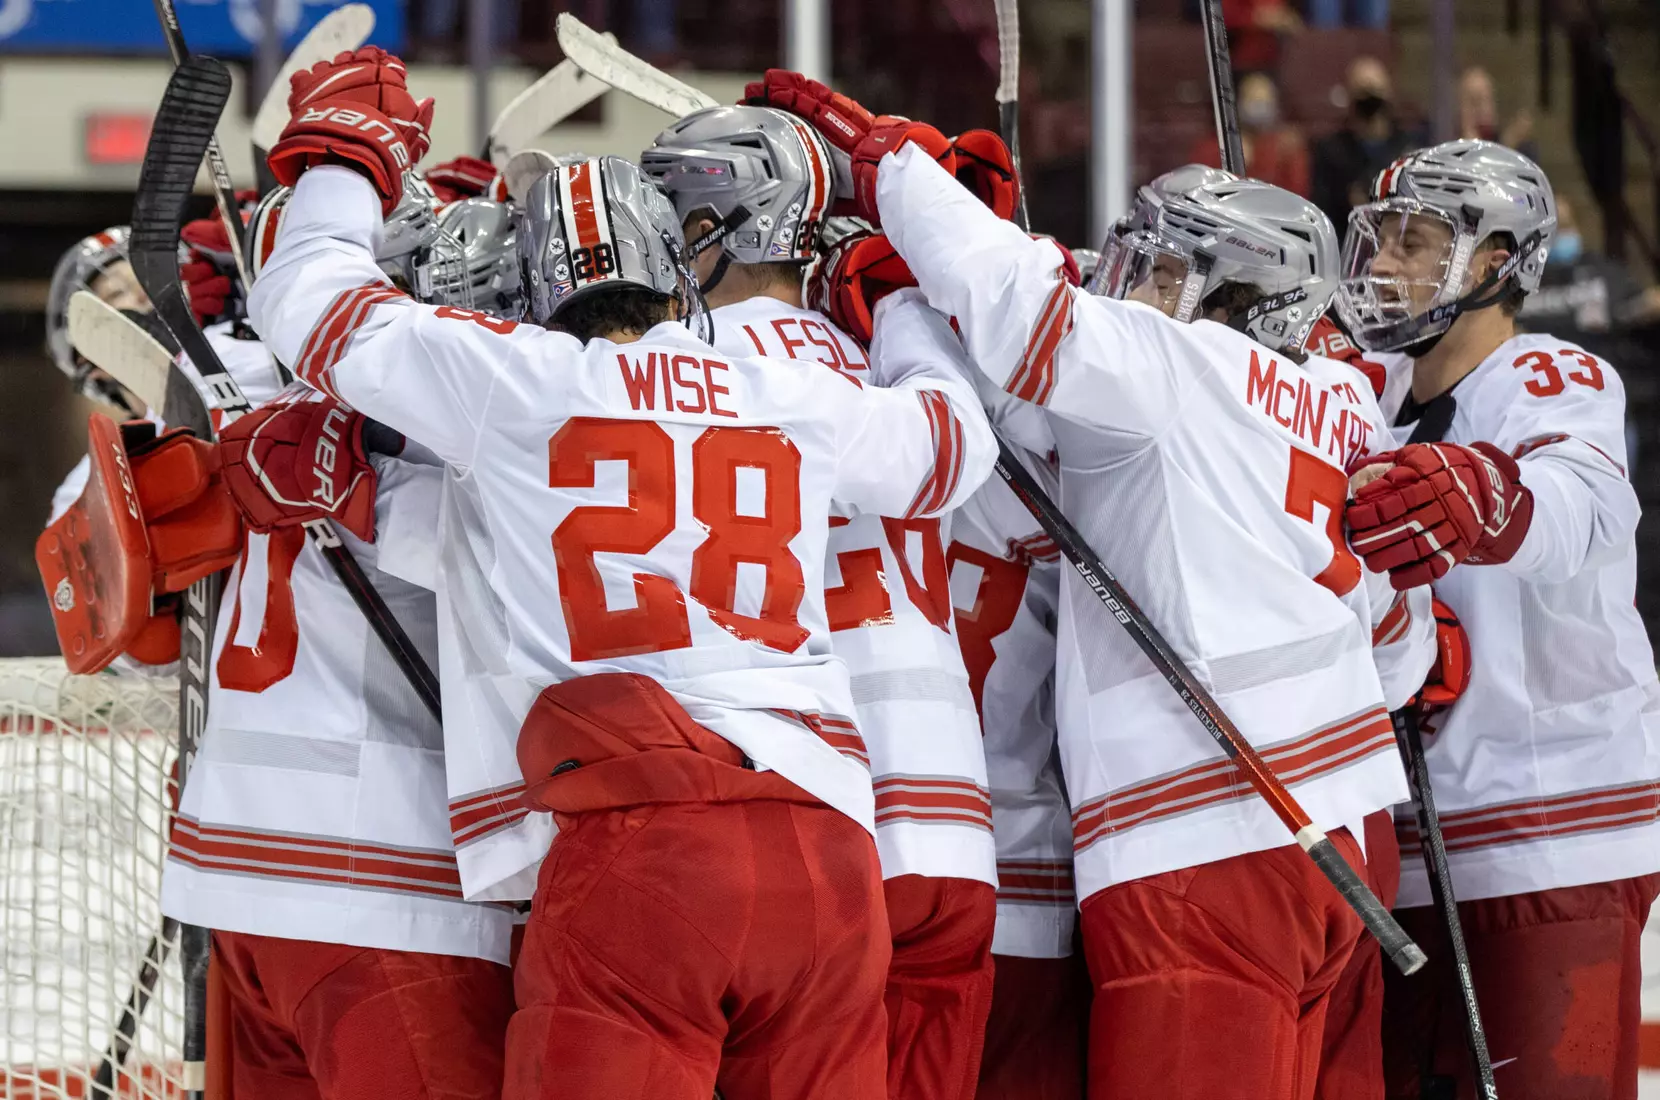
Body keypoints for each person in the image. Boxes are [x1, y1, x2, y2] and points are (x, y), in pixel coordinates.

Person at [242, 46, 996, 1100]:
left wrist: (344, 160)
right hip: (827, 850)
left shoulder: (517, 378)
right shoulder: (781, 384)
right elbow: (955, 447)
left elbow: (308, 300)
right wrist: (903, 300)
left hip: (643, 849)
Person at [751, 70, 1428, 1099]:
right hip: (1347, 829)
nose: (1125, 287)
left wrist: (893, 167)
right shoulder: (1336, 400)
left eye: (1153, 269)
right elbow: (1400, 647)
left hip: (1207, 835)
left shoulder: (1171, 366)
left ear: (1232, 294)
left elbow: (1025, 317)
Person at [644, 103, 998, 1100]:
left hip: (807, 820)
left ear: (708, 230)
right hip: (953, 822)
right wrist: (905, 301)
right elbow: (963, 453)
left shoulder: (691, 374)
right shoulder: (896, 362)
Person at [152, 181, 525, 1100]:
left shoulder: (241, 390)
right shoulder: (459, 420)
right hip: (385, 878)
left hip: (236, 872)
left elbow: (121, 607)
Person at [1336, 138, 1660, 1100]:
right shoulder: (1363, 396)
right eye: (1380, 239)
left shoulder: (1550, 375)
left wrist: (1490, 498)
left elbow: (1585, 507)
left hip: (1548, 834)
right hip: (1399, 853)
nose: (1386, 265)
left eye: (1416, 242)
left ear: (1490, 263)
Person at [1311, 57, 1424, 237]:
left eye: (1375, 91)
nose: (1369, 100)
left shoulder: (1408, 149)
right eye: (1363, 92)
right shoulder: (1331, 151)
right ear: (1350, 97)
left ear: (1388, 94)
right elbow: (1320, 212)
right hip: (1346, 243)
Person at [1188, 71, 1311, 198]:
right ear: (1238, 103)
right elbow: (1200, 191)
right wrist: (1236, 166)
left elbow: (1298, 193)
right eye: (1252, 99)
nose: (1259, 106)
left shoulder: (1288, 147)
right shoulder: (1213, 147)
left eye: (1265, 100)